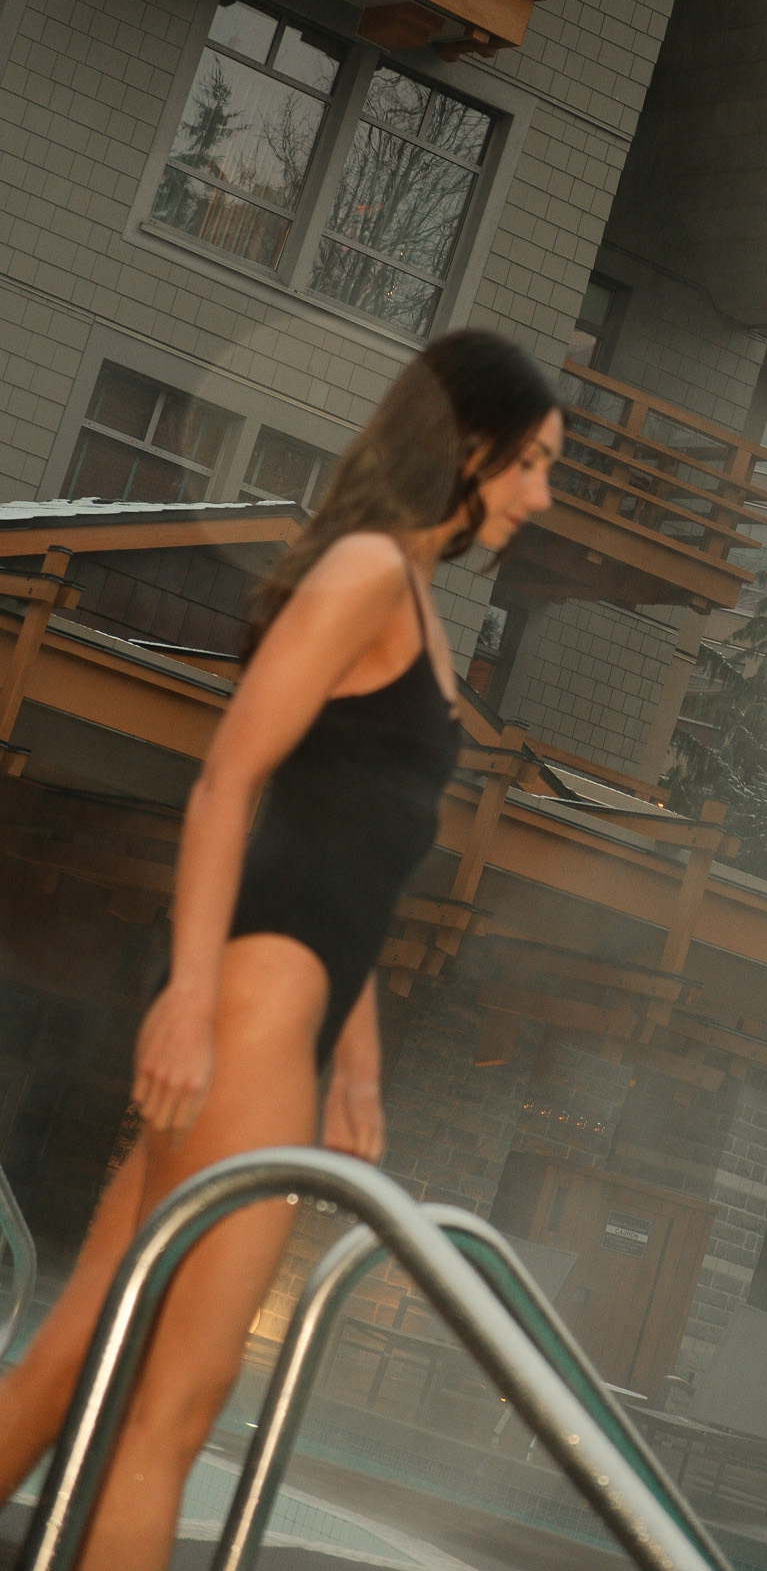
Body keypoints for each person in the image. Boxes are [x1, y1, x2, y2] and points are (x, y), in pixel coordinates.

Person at [0, 330, 561, 1570]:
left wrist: (356, 1058)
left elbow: (349, 855)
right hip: (248, 1007)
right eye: (529, 463)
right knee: (173, 1410)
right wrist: (192, 996)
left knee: (74, 1348)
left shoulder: (414, 595)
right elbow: (228, 783)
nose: (539, 494)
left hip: (286, 1011)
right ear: (468, 447)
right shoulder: (365, 570)